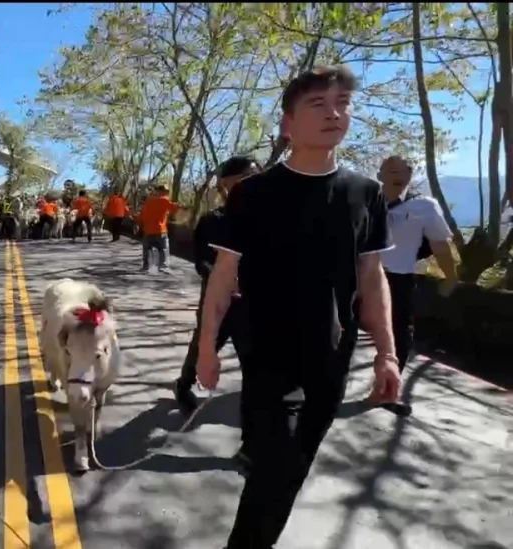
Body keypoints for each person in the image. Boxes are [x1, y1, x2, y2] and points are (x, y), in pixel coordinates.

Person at [196, 65, 402, 549]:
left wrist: (387, 353)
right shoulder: (253, 193)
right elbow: (223, 278)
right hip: (267, 353)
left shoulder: (365, 193)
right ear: (288, 123)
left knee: (291, 469)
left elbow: (372, 279)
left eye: (342, 104)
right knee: (276, 462)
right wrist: (206, 349)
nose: (334, 114)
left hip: (330, 356)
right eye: (318, 104)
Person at [173, 156, 260, 464]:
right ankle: (183, 386)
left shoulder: (271, 219)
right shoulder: (213, 220)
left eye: (256, 176)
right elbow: (201, 260)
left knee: (256, 371)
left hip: (254, 308)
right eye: (244, 177)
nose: (251, 182)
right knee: (202, 347)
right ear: (225, 185)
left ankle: (252, 444)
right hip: (217, 303)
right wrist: (220, 278)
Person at [378, 154, 459, 417]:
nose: (399, 175)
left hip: (399, 279)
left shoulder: (424, 206)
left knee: (399, 337)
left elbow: (440, 245)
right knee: (338, 330)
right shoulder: (364, 200)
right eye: (392, 170)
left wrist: (451, 277)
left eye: (405, 170)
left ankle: (386, 393)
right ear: (380, 175)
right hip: (359, 275)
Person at [137, 185, 181, 273]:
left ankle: (146, 267)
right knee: (163, 248)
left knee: (147, 249)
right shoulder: (164, 200)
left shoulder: (148, 201)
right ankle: (163, 266)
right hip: (161, 230)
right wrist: (180, 206)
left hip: (148, 230)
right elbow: (173, 208)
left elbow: (142, 216)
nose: (167, 193)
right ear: (162, 191)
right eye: (166, 191)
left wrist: (139, 224)